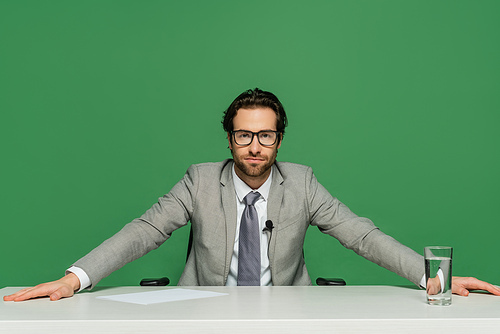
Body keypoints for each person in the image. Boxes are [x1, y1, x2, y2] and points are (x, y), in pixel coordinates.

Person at [4, 88, 500, 302]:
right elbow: (144, 231)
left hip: (287, 312)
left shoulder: (301, 183)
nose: (255, 146)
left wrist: (432, 277)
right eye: (244, 135)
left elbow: (362, 236)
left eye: (265, 135)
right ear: (229, 139)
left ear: (279, 139)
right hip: (205, 310)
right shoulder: (199, 180)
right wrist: (73, 279)